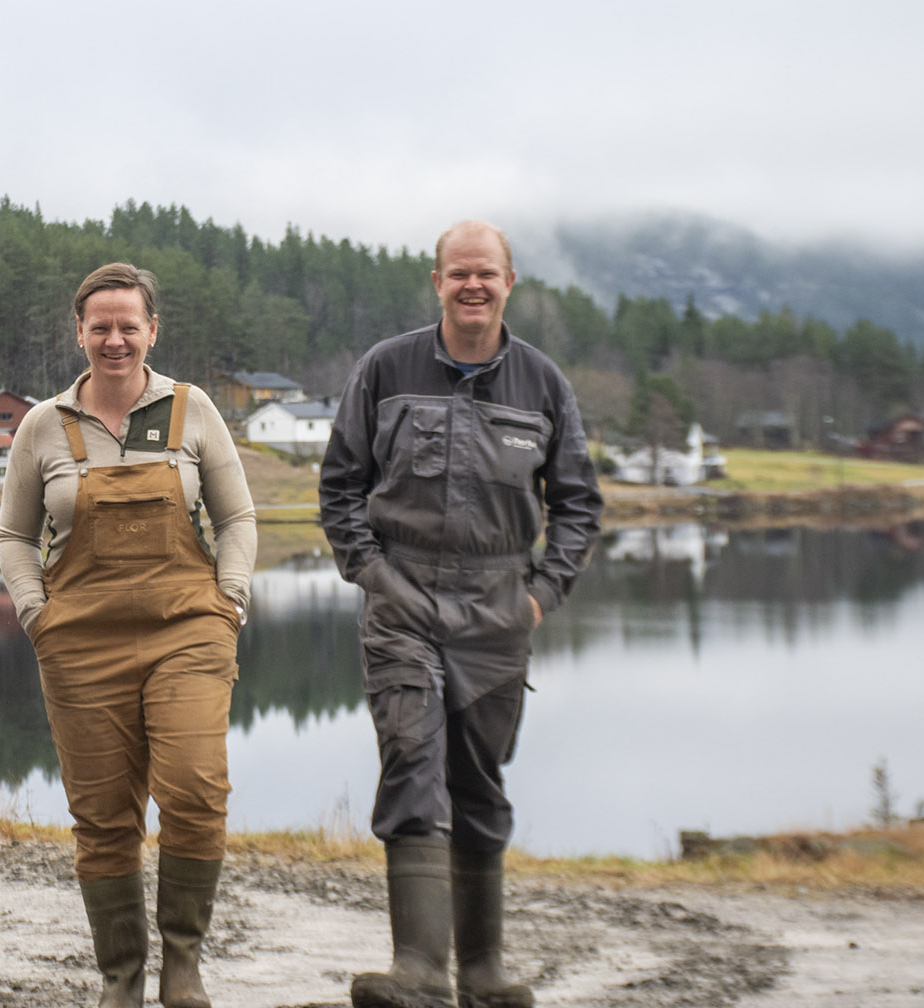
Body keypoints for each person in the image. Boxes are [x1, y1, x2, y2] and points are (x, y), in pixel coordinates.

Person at [319, 221, 602, 1008]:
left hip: (497, 608)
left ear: (510, 282)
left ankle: (483, 973)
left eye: (486, 273)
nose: (471, 286)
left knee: (478, 779)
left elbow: (578, 505)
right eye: (458, 273)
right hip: (402, 598)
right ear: (436, 282)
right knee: (413, 760)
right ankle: (419, 971)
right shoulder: (386, 368)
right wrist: (371, 573)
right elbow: (340, 486)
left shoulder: (543, 384)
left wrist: (542, 594)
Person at [0, 263, 257, 1008]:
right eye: (100, 326)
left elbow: (237, 520)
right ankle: (121, 978)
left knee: (196, 791)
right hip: (78, 642)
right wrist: (35, 615)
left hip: (188, 629)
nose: (115, 339)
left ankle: (183, 963)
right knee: (103, 816)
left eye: (128, 325)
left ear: (152, 330)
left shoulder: (192, 408)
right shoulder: (43, 424)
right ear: (78, 333)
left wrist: (229, 601)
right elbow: (15, 536)